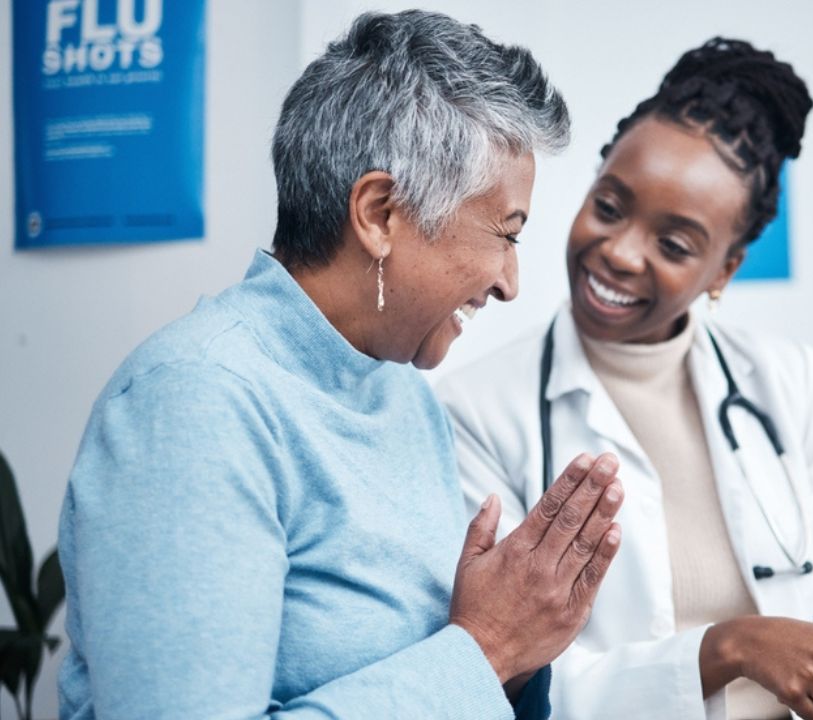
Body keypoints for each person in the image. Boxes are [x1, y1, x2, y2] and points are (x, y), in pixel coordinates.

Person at [57, 11, 625, 719]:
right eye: (505, 235)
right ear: (381, 213)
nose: (510, 281)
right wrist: (486, 651)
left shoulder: (396, 388)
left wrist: (520, 647)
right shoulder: (193, 403)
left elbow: (443, 665)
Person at [437, 38, 813, 720]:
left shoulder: (791, 384)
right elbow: (505, 674)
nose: (618, 252)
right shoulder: (478, 408)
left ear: (725, 271)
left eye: (674, 245)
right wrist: (722, 649)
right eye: (609, 206)